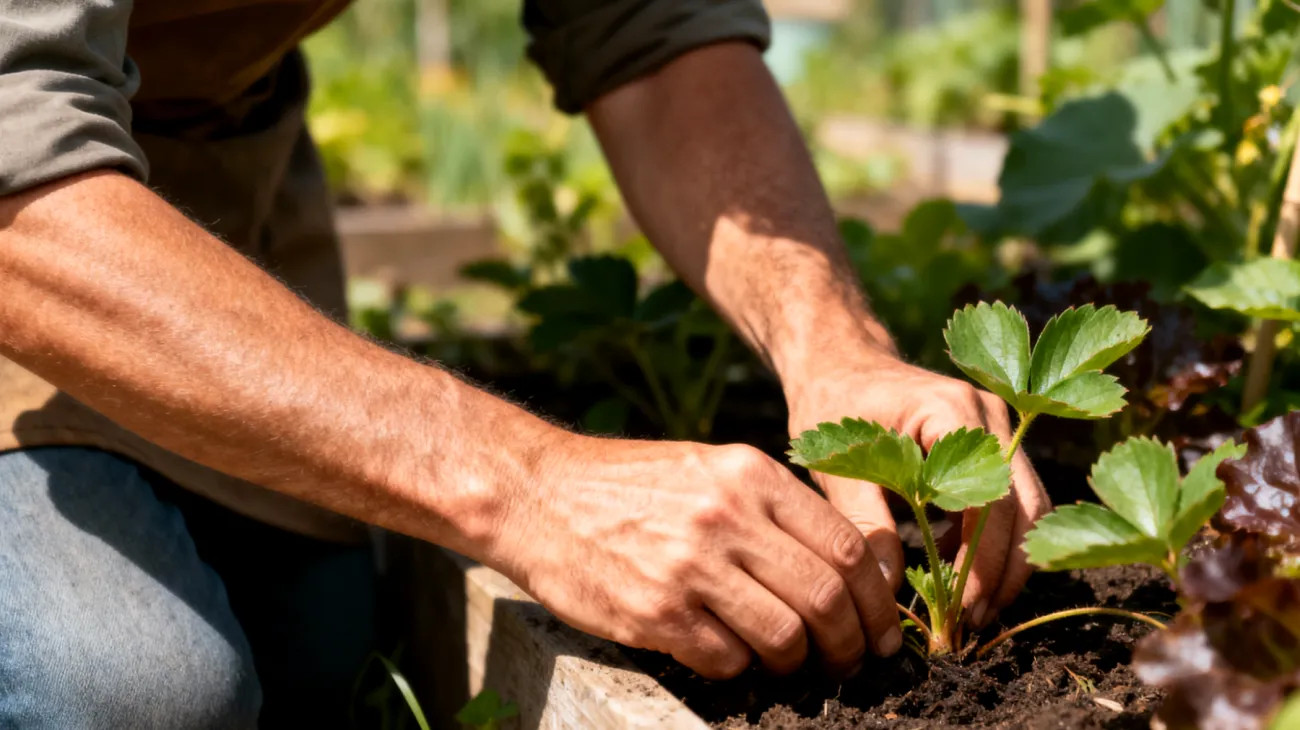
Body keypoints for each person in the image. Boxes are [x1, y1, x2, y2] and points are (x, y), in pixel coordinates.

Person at [0, 0, 1050, 727]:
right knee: (129, 685)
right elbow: (18, 183)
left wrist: (836, 350)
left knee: (322, 662)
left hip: (213, 216)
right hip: (45, 245)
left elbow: (652, 37)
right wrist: (525, 483)